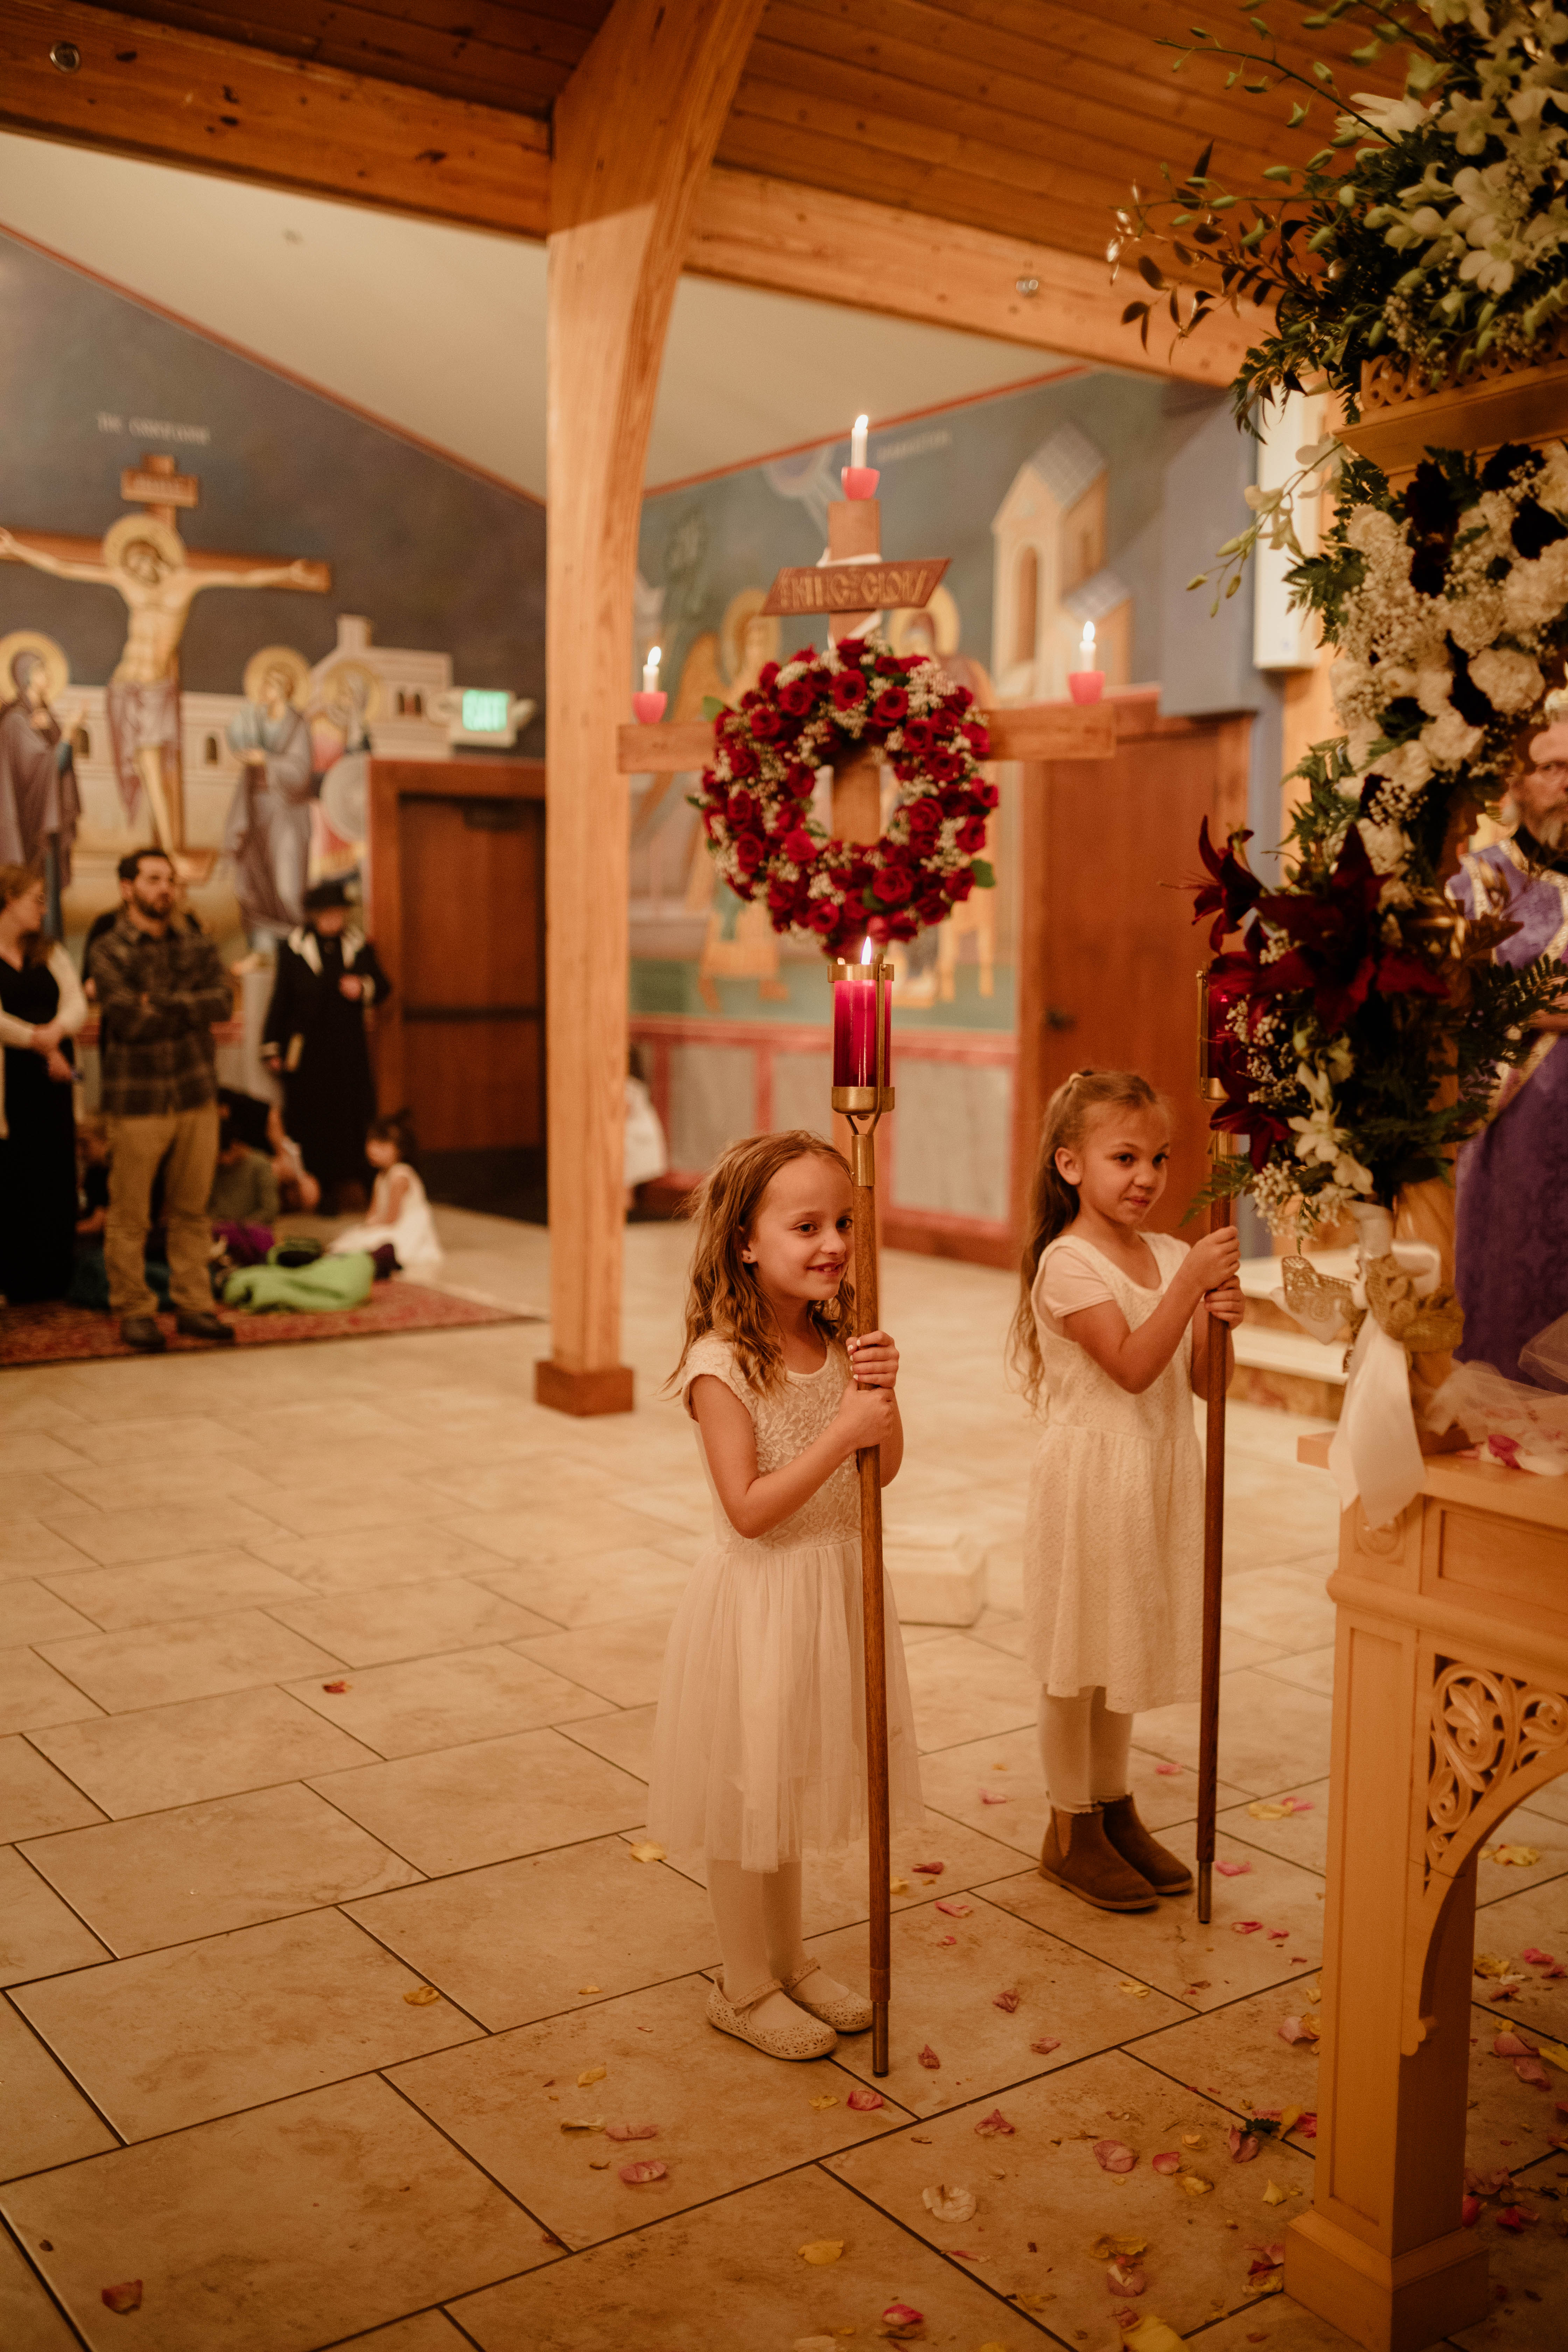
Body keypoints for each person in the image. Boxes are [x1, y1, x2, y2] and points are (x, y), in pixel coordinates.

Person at [645, 1130, 924, 2061]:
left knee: (789, 1782)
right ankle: (742, 1983)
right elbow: (751, 1510)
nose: (834, 1243)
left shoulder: (837, 1340)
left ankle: (791, 1959)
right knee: (746, 1793)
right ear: (745, 1241)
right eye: (806, 1226)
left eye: (842, 1222)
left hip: (831, 1589)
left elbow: (880, 1473)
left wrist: (880, 1397)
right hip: (761, 1603)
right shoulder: (721, 1364)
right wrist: (842, 1430)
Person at [1011, 1069, 1244, 1912]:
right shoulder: (1068, 1264)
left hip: (1154, 1475)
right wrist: (1187, 1291)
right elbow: (1133, 1368)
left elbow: (1204, 1386)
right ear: (1070, 1164)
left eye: (1159, 1158)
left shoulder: (1172, 1256)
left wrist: (1219, 1319)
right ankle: (1068, 1824)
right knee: (1076, 1657)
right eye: (1124, 1158)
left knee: (1120, 1648)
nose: (1146, 1177)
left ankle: (1111, 1806)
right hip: (1092, 1481)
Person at [1451, 700, 1568, 1382]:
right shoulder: (1479, 882)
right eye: (1551, 767)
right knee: (1508, 1296)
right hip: (1513, 1130)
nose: (1565, 783)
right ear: (1517, 782)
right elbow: (1456, 999)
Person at [87, 846, 236, 1351]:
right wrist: (184, 1008)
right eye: (153, 879)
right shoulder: (108, 949)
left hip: (195, 1092)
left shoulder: (196, 943)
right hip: (138, 1100)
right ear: (127, 888)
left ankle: (195, 1306)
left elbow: (222, 1002)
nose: (165, 889)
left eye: (169, 880)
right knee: (131, 1215)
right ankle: (134, 1310)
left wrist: (160, 1002)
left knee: (193, 1211)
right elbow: (128, 1018)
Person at [261, 879, 390, 1210]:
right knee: (310, 1117)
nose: (335, 920)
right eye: (329, 914)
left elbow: (383, 986)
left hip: (348, 1051)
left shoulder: (358, 945)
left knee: (354, 1115)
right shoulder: (294, 948)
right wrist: (272, 1045)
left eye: (340, 913)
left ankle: (362, 1183)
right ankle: (319, 1188)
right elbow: (281, 999)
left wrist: (362, 988)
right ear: (316, 915)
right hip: (306, 1052)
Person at [0, 863, 87, 1302]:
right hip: (9, 1085)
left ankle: (55, 1276)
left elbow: (76, 1002)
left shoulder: (49, 951)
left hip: (53, 1082)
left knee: (54, 1174)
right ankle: (15, 1278)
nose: (43, 908)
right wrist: (35, 1039)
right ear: (8, 900)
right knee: (13, 1176)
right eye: (36, 899)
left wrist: (55, 1033)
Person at [328, 1110, 440, 1273]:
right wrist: (369, 1223)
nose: (373, 1150)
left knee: (377, 1245)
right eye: (371, 1143)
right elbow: (374, 1209)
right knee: (355, 1238)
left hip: (405, 1226)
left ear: (400, 1149)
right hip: (386, 1221)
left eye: (382, 1145)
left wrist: (374, 1225)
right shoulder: (381, 1176)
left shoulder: (400, 1175)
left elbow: (392, 1218)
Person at [208, 1098, 280, 1228]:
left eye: (226, 1154)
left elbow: (270, 1210)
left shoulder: (260, 1165)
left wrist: (239, 1228)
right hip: (216, 1229)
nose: (223, 1160)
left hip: (247, 1232)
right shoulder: (216, 1168)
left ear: (238, 1146)